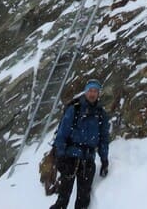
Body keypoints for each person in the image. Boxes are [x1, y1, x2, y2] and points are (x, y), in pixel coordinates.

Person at [51, 80, 111, 209]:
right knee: (63, 198)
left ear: (98, 93)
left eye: (95, 91)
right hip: (70, 158)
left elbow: (104, 139)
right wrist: (60, 156)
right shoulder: (75, 109)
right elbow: (62, 133)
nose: (92, 94)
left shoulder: (101, 114)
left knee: (83, 200)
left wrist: (104, 159)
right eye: (90, 91)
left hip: (88, 160)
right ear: (85, 91)